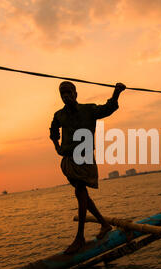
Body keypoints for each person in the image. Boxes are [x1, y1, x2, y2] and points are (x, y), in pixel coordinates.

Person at [50, 81, 126, 254]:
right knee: (81, 194)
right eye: (63, 94)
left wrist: (117, 92)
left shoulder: (88, 110)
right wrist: (57, 146)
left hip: (83, 157)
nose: (66, 96)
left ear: (76, 94)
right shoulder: (59, 115)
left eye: (69, 92)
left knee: (80, 192)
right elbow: (53, 130)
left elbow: (109, 108)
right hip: (68, 159)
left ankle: (80, 237)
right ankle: (104, 224)